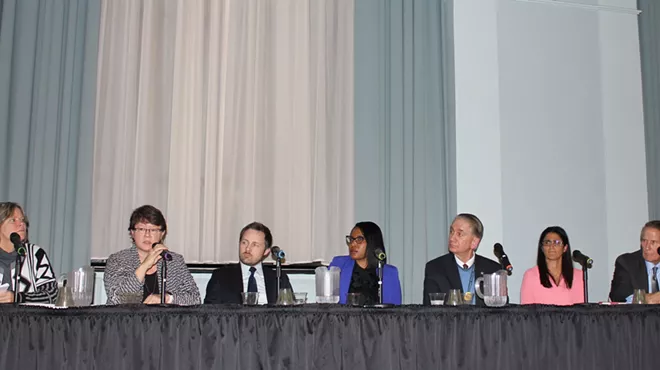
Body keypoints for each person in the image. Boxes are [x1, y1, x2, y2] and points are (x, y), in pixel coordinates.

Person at [104, 205, 200, 305]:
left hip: (165, 320)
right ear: (132, 232)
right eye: (141, 229)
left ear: (162, 233)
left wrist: (166, 298)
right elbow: (118, 300)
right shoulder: (117, 260)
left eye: (153, 230)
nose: (147, 235)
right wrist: (145, 265)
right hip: (129, 319)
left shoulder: (173, 260)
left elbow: (195, 298)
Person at [423, 213, 503, 306]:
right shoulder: (435, 268)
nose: (452, 238)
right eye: (451, 232)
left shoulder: (492, 270)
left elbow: (500, 312)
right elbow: (429, 312)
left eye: (459, 234)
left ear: (474, 242)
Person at [204, 222, 293, 304]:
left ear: (266, 251)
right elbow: (209, 315)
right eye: (244, 243)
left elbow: (290, 314)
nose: (247, 249)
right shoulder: (221, 277)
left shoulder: (279, 279)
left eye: (255, 245)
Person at [329, 221, 402, 305]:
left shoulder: (389, 273)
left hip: (376, 318)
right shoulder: (339, 265)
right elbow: (327, 305)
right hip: (344, 317)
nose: (352, 244)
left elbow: (394, 312)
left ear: (372, 242)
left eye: (359, 239)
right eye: (351, 239)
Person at [0, 202, 58, 304]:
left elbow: (52, 294)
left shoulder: (35, 254)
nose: (21, 224)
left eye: (22, 220)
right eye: (13, 220)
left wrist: (18, 298)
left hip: (26, 319)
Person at [520, 226, 584, 305]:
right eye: (547, 242)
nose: (551, 247)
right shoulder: (531, 275)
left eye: (557, 242)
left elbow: (581, 312)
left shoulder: (579, 276)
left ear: (565, 248)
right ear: (542, 248)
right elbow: (526, 312)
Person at [609, 220, 660, 303]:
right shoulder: (627, 262)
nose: (647, 247)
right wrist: (646, 299)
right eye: (644, 241)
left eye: (653, 242)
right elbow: (618, 296)